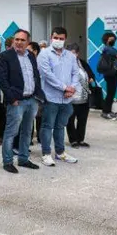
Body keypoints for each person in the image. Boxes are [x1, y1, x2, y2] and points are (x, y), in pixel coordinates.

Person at [0, 29, 43, 174]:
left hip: (31, 100)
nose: (19, 42)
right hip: (16, 101)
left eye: (22, 40)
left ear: (28, 42)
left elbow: (36, 76)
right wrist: (12, 98)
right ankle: (8, 161)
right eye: (16, 39)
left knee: (27, 131)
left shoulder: (31, 56)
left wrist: (37, 96)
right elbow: (2, 80)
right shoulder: (6, 56)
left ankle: (23, 159)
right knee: (11, 132)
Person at [37, 27, 80, 166]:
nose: (58, 40)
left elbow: (76, 73)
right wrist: (64, 87)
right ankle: (46, 153)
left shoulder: (70, 56)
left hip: (66, 98)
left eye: (61, 39)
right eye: (56, 38)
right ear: (51, 37)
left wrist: (72, 88)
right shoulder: (44, 54)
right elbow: (47, 75)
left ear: (65, 39)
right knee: (47, 126)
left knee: (60, 126)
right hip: (51, 97)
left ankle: (60, 153)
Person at [65, 43, 95, 148]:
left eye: (74, 53)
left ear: (77, 53)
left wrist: (91, 78)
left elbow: (91, 74)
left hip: (84, 96)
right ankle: (73, 140)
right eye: (69, 53)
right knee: (70, 120)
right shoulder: (64, 65)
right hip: (71, 97)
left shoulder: (82, 63)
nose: (72, 55)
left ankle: (80, 139)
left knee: (82, 119)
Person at [25, 42, 42, 145]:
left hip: (39, 94)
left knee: (40, 117)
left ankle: (40, 137)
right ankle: (29, 139)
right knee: (28, 118)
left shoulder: (41, 63)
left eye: (29, 50)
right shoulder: (26, 61)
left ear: (35, 51)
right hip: (29, 94)